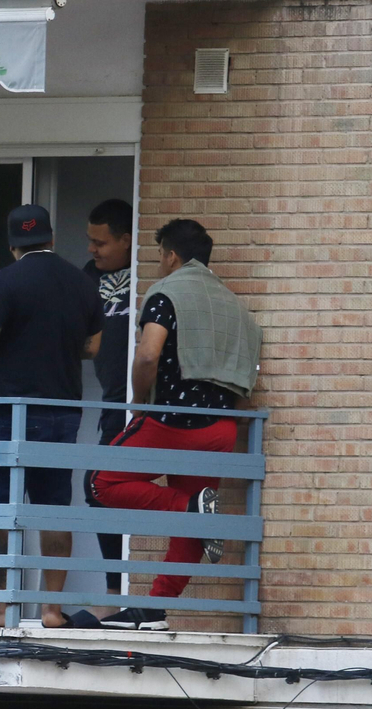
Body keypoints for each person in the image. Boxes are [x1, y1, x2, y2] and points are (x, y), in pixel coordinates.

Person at [87, 219, 262, 631]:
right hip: (220, 428)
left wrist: (137, 404)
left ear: (171, 255)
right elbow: (245, 382)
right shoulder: (237, 307)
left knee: (100, 483)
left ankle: (189, 509)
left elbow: (148, 356)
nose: (159, 265)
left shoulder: (166, 293)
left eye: (159, 256)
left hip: (169, 423)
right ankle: (154, 611)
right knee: (193, 522)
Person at [0, 205, 103, 629]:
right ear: (50, 238)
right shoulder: (80, 281)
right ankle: (51, 610)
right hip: (62, 413)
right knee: (53, 510)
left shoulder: (6, 280)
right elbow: (92, 347)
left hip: (8, 413)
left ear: (13, 245)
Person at [83, 199, 134, 602]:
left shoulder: (150, 279)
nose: (92, 249)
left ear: (127, 240)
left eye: (101, 242)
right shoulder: (86, 279)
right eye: (90, 241)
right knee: (99, 489)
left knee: (102, 486)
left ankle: (121, 595)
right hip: (113, 405)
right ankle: (115, 594)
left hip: (146, 404)